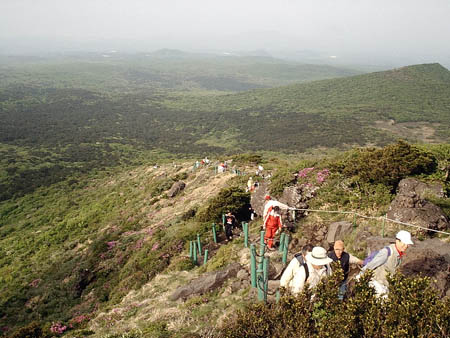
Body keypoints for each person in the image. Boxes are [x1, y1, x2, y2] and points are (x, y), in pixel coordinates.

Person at [359, 230, 414, 297]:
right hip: (376, 284)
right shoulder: (387, 252)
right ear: (397, 241)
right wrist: (361, 277)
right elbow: (371, 265)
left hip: (384, 286)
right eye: (404, 243)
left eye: (407, 244)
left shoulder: (399, 255)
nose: (406, 246)